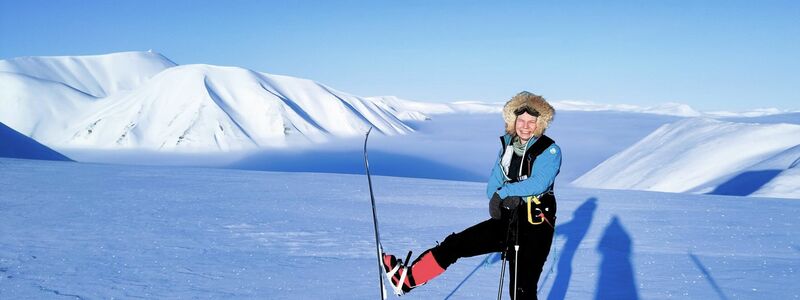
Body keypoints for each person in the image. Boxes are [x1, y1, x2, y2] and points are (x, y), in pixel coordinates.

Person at [382, 91, 562, 299]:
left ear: (540, 123)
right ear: (513, 121)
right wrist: (497, 195)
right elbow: (493, 183)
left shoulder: (550, 150)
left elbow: (539, 184)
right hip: (508, 221)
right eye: (521, 120)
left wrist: (506, 192)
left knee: (521, 290)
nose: (525, 126)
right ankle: (407, 279)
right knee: (455, 244)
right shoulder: (508, 147)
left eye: (531, 122)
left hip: (535, 228)